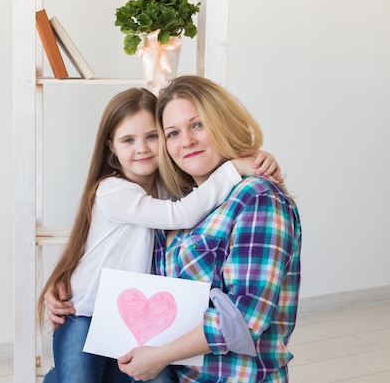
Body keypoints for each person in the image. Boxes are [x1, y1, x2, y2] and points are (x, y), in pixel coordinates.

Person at [38, 87, 283, 383]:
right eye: (129, 140)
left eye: (152, 136)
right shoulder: (114, 190)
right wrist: (234, 168)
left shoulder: (175, 192)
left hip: (134, 323)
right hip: (85, 313)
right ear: (111, 147)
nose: (142, 148)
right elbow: (181, 213)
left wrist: (253, 159)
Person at [116, 75, 302, 383]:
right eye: (173, 133)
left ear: (222, 122)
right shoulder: (178, 206)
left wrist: (160, 356)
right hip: (170, 375)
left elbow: (245, 317)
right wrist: (70, 292)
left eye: (198, 125)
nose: (186, 140)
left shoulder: (257, 197)